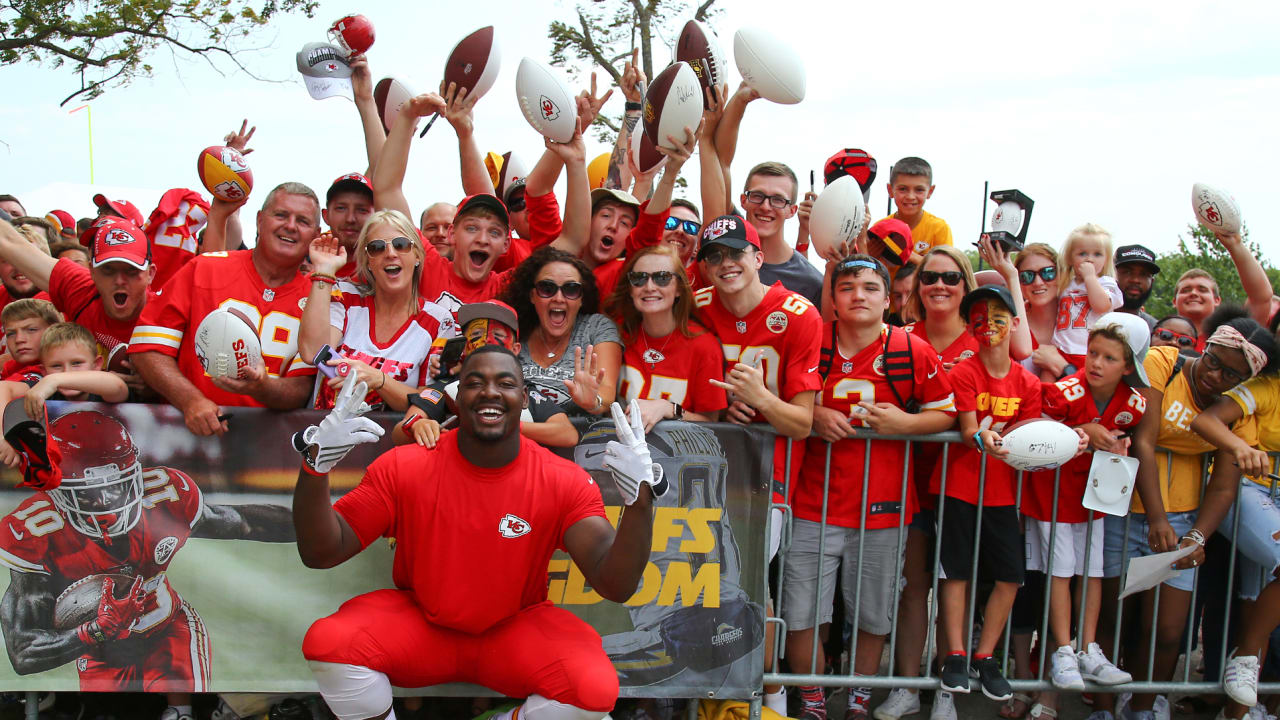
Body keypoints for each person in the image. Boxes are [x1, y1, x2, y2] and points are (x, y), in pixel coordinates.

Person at [293, 355, 663, 720]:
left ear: (524, 397)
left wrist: (640, 504)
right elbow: (322, 551)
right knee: (329, 644)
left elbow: (615, 584)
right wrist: (314, 468)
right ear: (457, 396)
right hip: (422, 625)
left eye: (504, 383)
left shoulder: (561, 479)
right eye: (474, 383)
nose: (490, 392)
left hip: (514, 630)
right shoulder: (407, 464)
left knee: (593, 690)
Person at [0, 410, 295, 720]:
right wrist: (96, 631)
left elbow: (245, 523)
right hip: (99, 649)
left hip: (166, 627)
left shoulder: (164, 494)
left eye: (115, 486)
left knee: (180, 715)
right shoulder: (35, 531)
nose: (104, 501)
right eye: (87, 493)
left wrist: (318, 525)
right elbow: (23, 652)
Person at [785, 255, 956, 720]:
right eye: (846, 287)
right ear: (834, 299)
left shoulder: (908, 348)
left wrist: (907, 422)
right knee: (802, 615)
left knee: (873, 614)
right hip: (811, 505)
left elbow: (949, 413)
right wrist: (812, 414)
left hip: (884, 509)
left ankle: (860, 698)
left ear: (888, 298)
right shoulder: (810, 339)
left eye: (868, 286)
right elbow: (780, 403)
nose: (858, 295)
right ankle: (814, 698)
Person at [1094, 306, 1279, 720]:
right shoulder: (1165, 362)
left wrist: (1196, 536)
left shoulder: (1237, 407)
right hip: (1122, 507)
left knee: (1168, 630)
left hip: (1183, 518)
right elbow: (1145, 440)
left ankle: (1143, 707)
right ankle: (1103, 709)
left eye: (1231, 375)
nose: (1216, 376)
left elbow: (1226, 483)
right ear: (1205, 348)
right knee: (1112, 615)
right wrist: (1156, 517)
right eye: (1213, 361)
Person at [692, 213, 820, 714]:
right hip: (701, 475)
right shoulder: (695, 306)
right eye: (715, 257)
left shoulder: (798, 313)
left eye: (736, 253)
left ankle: (770, 696)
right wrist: (722, 406)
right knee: (698, 585)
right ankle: (705, 690)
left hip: (768, 481)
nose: (726, 264)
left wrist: (762, 400)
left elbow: (802, 422)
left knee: (745, 588)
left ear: (758, 256)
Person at [1021, 313, 1148, 719]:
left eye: (1109, 358)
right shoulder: (1065, 391)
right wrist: (1082, 427)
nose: (1095, 363)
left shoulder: (1134, 403)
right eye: (1092, 353)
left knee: (1091, 571)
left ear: (1128, 366)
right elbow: (1031, 420)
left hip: (1095, 497)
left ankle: (1089, 648)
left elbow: (1126, 435)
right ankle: (1062, 649)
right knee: (1060, 569)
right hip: (1054, 495)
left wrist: (1116, 446)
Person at [129, 182, 321, 435]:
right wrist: (190, 400)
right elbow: (147, 348)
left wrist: (261, 387)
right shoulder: (204, 269)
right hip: (183, 437)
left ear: (316, 234)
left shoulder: (318, 300)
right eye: (281, 215)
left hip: (268, 452)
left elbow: (301, 388)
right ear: (260, 220)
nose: (291, 226)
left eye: (303, 221)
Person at [934, 285, 1047, 705]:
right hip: (959, 487)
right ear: (969, 325)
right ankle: (956, 656)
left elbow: (1031, 438)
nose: (988, 324)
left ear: (1015, 323)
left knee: (1010, 576)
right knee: (956, 572)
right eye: (978, 316)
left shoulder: (1029, 383)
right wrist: (982, 434)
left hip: (1003, 495)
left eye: (999, 315)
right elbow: (967, 429)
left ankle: (986, 655)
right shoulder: (963, 372)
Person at [1191, 340, 1280, 719]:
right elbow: (1206, 420)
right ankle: (1243, 658)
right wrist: (1238, 446)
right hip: (1242, 492)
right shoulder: (1268, 386)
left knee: (1255, 603)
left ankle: (1237, 712)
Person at [299, 209, 456, 412]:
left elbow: (430, 402)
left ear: (417, 255)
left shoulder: (438, 321)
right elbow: (313, 352)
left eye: (401, 245)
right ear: (368, 262)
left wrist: (379, 380)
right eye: (377, 247)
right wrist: (323, 272)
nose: (390, 253)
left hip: (390, 442)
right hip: (324, 437)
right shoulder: (346, 296)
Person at [0, 217, 156, 396]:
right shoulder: (80, 289)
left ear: (150, 274)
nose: (119, 281)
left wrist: (158, 384)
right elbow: (8, 242)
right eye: (108, 270)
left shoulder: (165, 314)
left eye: (131, 270)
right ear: (92, 271)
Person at [604, 245, 726, 430]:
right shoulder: (617, 336)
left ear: (679, 288)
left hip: (680, 455)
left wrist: (669, 408)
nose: (649, 287)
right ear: (630, 289)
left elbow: (712, 424)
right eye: (639, 279)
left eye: (662, 278)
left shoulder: (704, 346)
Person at [500, 247, 622, 418]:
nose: (558, 298)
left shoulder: (596, 327)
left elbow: (606, 393)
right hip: (520, 439)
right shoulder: (516, 331)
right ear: (532, 295)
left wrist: (593, 402)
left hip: (580, 440)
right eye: (547, 288)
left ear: (581, 298)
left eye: (571, 289)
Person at [0, 323, 129, 466]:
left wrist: (53, 379)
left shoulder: (101, 387)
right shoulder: (45, 388)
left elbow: (118, 386)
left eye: (76, 363)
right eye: (56, 366)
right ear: (43, 370)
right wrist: (3, 436)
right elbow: (3, 388)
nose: (67, 371)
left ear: (97, 364)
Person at [1050, 223, 1122, 380]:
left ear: (1106, 259)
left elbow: (1101, 306)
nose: (1089, 259)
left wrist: (1090, 278)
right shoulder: (1064, 283)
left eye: (1097, 254)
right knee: (1047, 380)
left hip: (1088, 353)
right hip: (1060, 348)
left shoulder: (1106, 283)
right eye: (1082, 254)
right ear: (1070, 257)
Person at [881, 157, 953, 265]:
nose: (910, 196)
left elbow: (945, 268)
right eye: (903, 189)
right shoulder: (881, 229)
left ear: (930, 191)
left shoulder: (939, 228)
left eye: (919, 190)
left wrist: (906, 253)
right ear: (890, 190)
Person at [322, 173, 376, 278]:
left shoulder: (389, 279)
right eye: (341, 208)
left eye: (362, 210)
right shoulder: (308, 284)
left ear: (376, 217)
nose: (350, 219)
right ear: (326, 215)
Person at [1, 298, 59, 382]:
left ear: (55, 331)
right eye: (11, 334)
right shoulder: (10, 367)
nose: (19, 339)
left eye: (31, 330)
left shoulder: (61, 367)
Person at [1113, 244, 1160, 328]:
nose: (1135, 280)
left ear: (1152, 282)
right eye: (1127, 272)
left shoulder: (1156, 331)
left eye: (1144, 274)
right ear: (1111, 275)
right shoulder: (1088, 318)